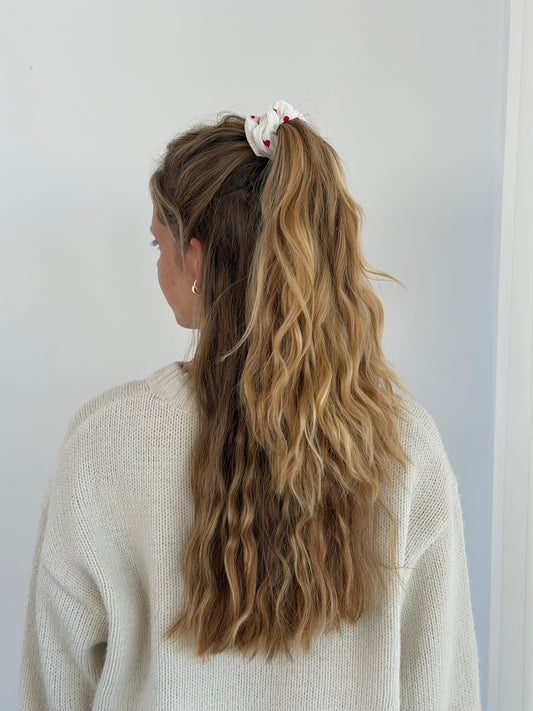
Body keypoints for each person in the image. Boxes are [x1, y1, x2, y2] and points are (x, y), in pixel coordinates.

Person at [19, 99, 482, 710]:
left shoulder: (108, 441)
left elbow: (55, 684)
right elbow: (441, 687)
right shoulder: (405, 444)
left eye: (159, 243)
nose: (158, 264)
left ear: (196, 258)